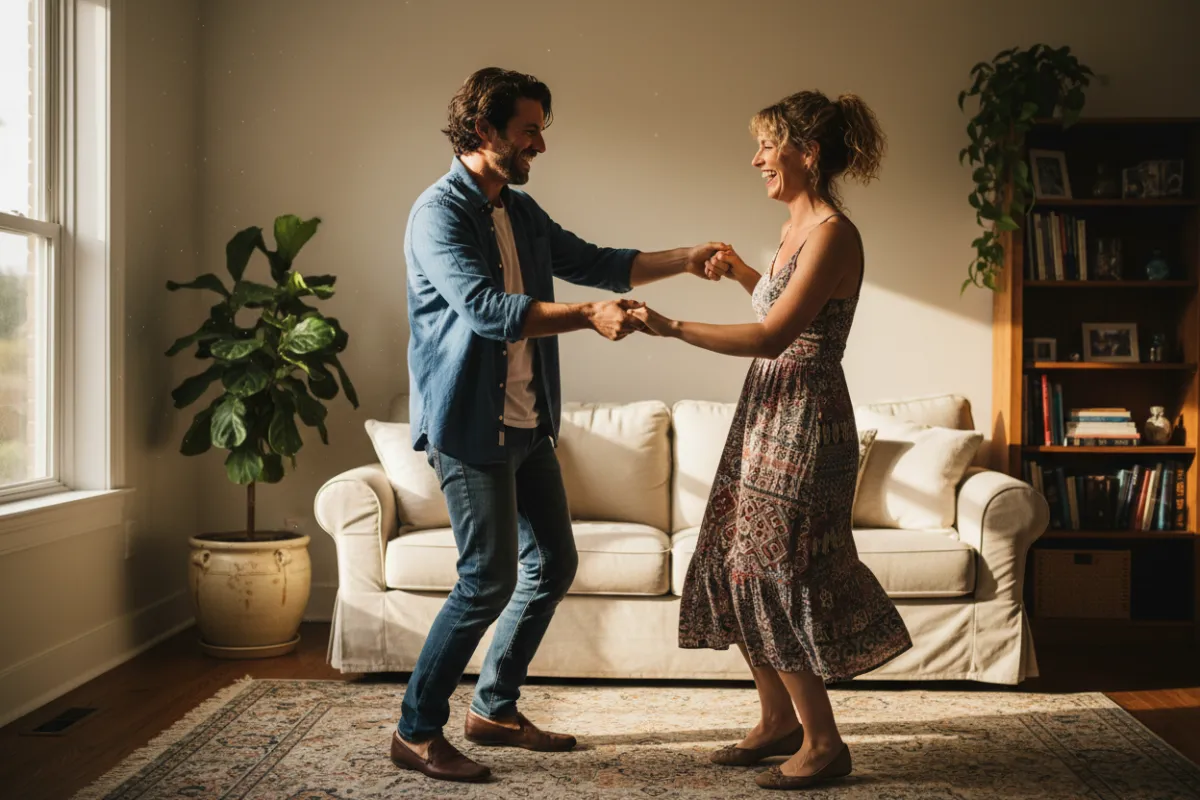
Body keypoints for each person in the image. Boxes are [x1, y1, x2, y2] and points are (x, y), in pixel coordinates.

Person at [394, 66, 729, 784]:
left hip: (528, 423)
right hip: (468, 428)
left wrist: (686, 258)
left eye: (541, 129)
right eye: (529, 130)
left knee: (553, 562)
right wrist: (585, 316)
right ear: (483, 130)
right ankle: (416, 730)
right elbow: (487, 309)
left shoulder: (518, 211)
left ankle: (493, 709)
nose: (540, 144)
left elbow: (596, 263)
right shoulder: (438, 214)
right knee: (486, 579)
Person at [632, 90, 913, 791]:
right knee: (734, 557)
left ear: (807, 153)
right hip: (767, 410)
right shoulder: (795, 231)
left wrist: (670, 327)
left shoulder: (834, 234)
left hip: (807, 419)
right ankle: (776, 723)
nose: (756, 158)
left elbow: (775, 335)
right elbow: (780, 306)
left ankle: (823, 742)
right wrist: (745, 274)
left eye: (768, 145)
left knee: (774, 569)